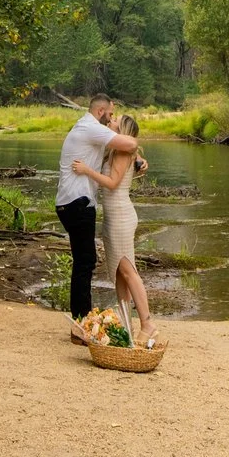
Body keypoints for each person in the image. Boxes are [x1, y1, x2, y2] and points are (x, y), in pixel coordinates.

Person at [54, 95, 140, 340]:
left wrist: (139, 160)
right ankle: (81, 325)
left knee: (84, 261)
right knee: (85, 262)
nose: (112, 118)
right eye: (110, 114)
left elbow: (120, 153)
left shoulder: (88, 129)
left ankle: (81, 323)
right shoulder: (91, 128)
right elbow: (130, 143)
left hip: (71, 203)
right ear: (101, 111)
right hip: (78, 203)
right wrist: (136, 152)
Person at [74, 111, 156, 348]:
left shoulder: (121, 153)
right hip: (113, 216)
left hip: (121, 216)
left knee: (129, 271)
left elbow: (112, 183)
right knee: (119, 275)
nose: (110, 122)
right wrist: (139, 160)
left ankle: (148, 324)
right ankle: (127, 326)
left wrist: (86, 170)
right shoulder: (117, 150)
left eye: (115, 122)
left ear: (123, 131)